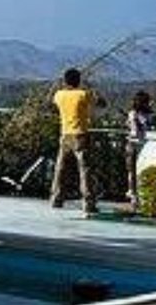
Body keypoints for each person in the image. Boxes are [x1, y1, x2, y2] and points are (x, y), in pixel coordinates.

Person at [51, 67, 103, 214]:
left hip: (64, 135)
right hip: (80, 135)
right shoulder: (83, 94)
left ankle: (56, 198)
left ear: (65, 81)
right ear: (78, 80)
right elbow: (101, 103)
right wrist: (91, 89)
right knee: (85, 170)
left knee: (60, 169)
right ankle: (88, 202)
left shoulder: (59, 95)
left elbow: (53, 100)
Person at [125, 90, 154, 211]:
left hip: (133, 143)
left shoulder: (133, 114)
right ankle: (136, 196)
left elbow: (133, 129)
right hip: (141, 144)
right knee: (136, 171)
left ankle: (134, 196)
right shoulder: (146, 115)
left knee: (132, 171)